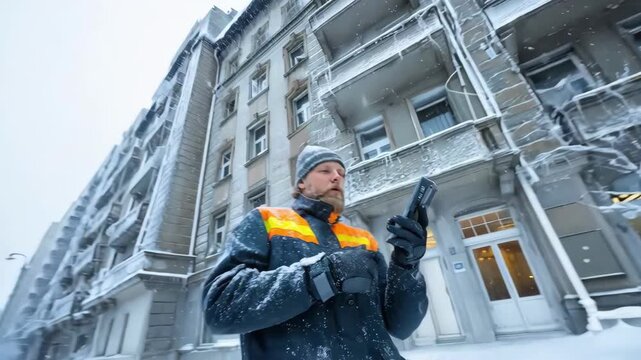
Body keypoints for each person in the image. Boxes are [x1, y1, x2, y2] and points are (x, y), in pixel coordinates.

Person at [202, 145, 429, 360]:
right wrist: (321, 276)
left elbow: (401, 325)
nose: (337, 177)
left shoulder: (363, 239)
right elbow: (220, 305)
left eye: (341, 172)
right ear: (301, 182)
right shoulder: (266, 221)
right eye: (325, 170)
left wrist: (406, 265)